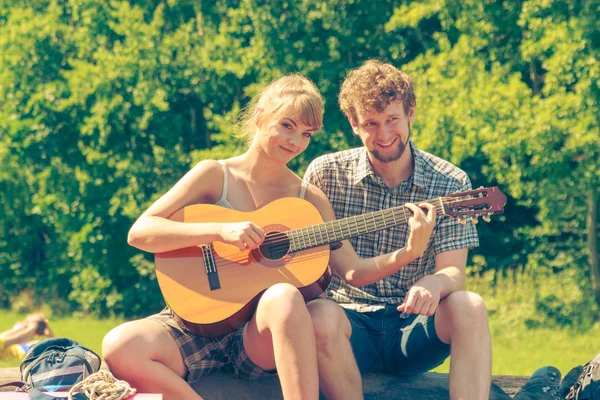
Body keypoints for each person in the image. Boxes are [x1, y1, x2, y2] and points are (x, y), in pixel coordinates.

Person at [102, 73, 436, 400]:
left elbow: (352, 271)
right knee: (119, 346)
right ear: (261, 117)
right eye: (287, 126)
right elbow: (142, 232)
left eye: (306, 134)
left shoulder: (308, 197)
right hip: (196, 323)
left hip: (257, 340)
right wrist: (220, 230)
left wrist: (409, 251)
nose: (295, 142)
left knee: (285, 297)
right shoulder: (214, 174)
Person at [303, 60, 491, 400]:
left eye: (393, 120)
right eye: (371, 124)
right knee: (318, 315)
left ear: (411, 113)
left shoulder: (450, 182)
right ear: (353, 124)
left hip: (413, 328)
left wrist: (435, 282)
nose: (385, 134)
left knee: (470, 306)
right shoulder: (325, 175)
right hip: (348, 327)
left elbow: (454, 271)